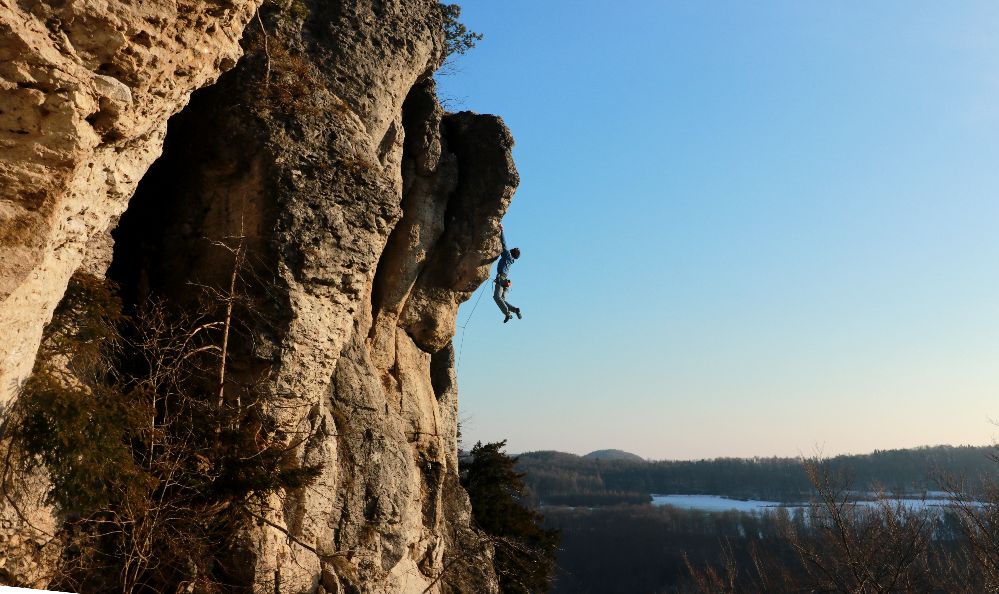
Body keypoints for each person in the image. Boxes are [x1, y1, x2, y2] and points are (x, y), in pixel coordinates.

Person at [494, 224, 522, 323]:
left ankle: (507, 313)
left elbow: (504, 243)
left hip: (501, 279)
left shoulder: (507, 256)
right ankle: (515, 310)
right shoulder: (511, 260)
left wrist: (502, 231)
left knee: (497, 298)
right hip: (506, 281)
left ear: (512, 252)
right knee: (502, 300)